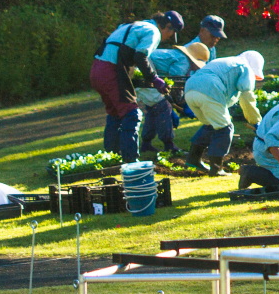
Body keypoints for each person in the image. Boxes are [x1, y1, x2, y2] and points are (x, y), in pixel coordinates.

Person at [90, 10, 184, 163]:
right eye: (171, 33)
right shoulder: (153, 32)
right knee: (132, 114)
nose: (168, 38)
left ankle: (112, 159)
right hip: (112, 70)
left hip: (97, 69)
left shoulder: (134, 25)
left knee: (115, 114)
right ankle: (131, 162)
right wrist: (154, 79)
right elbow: (140, 56)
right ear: (167, 26)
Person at [184, 51, 265, 174]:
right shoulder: (245, 67)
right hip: (209, 89)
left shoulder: (226, 61)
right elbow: (246, 97)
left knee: (211, 125)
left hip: (190, 89)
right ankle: (216, 168)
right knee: (225, 128)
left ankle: (193, 159)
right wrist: (256, 122)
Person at [138, 41, 209, 161]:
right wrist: (182, 104)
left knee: (153, 109)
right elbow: (175, 83)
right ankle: (169, 145)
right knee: (163, 107)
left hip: (143, 75)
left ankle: (146, 143)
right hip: (143, 74)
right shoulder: (183, 61)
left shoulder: (179, 56)